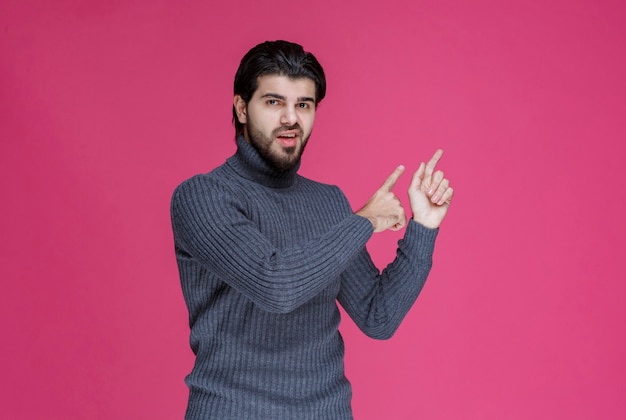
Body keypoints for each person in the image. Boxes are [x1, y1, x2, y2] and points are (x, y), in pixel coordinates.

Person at [170, 40, 454, 419]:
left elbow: (378, 317)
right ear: (241, 107)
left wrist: (424, 227)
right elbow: (275, 285)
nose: (291, 118)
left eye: (303, 105)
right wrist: (365, 221)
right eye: (274, 102)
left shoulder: (328, 202)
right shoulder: (202, 196)